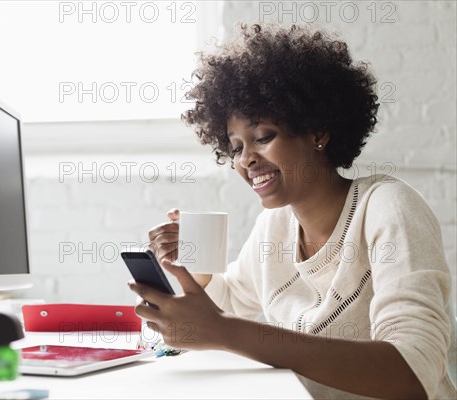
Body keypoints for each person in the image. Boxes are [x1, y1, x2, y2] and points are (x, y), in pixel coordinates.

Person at [128, 24, 456, 399]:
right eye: (235, 148)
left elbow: (411, 374)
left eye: (263, 138)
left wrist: (225, 330)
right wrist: (195, 268)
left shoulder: (387, 208)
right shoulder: (276, 225)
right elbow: (232, 302)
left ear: (317, 131)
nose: (246, 159)